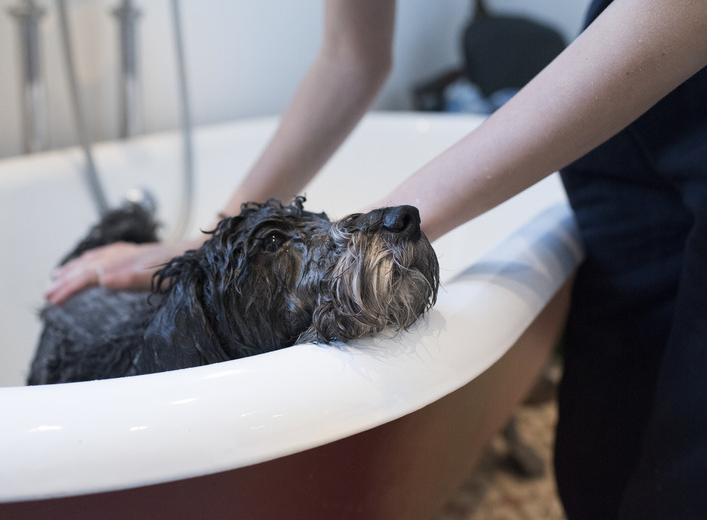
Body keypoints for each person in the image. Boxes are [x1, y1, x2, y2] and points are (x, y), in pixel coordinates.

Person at [46, 1, 707, 518]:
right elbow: (349, 56)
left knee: (683, 486)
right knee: (604, 468)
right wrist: (214, 239)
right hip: (630, 142)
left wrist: (372, 237)